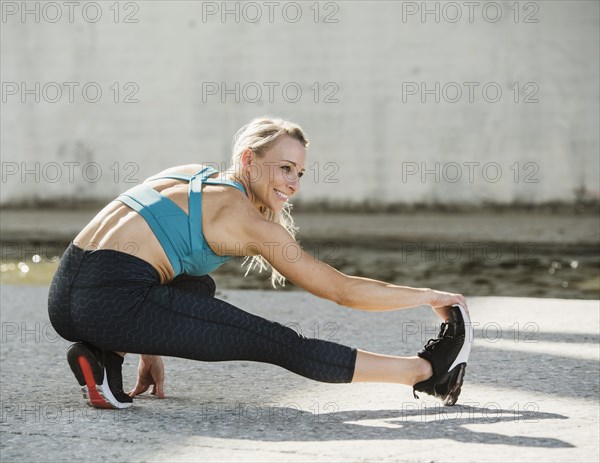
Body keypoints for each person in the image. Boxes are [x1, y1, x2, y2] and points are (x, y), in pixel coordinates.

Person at [48, 116, 472, 410]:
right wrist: (427, 296)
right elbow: (341, 290)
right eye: (285, 167)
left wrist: (148, 346)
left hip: (67, 288)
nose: (293, 183)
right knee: (277, 342)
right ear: (249, 160)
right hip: (108, 300)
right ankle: (423, 373)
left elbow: (140, 251)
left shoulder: (191, 174)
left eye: (300, 173)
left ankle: (103, 359)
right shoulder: (246, 220)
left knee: (198, 286)